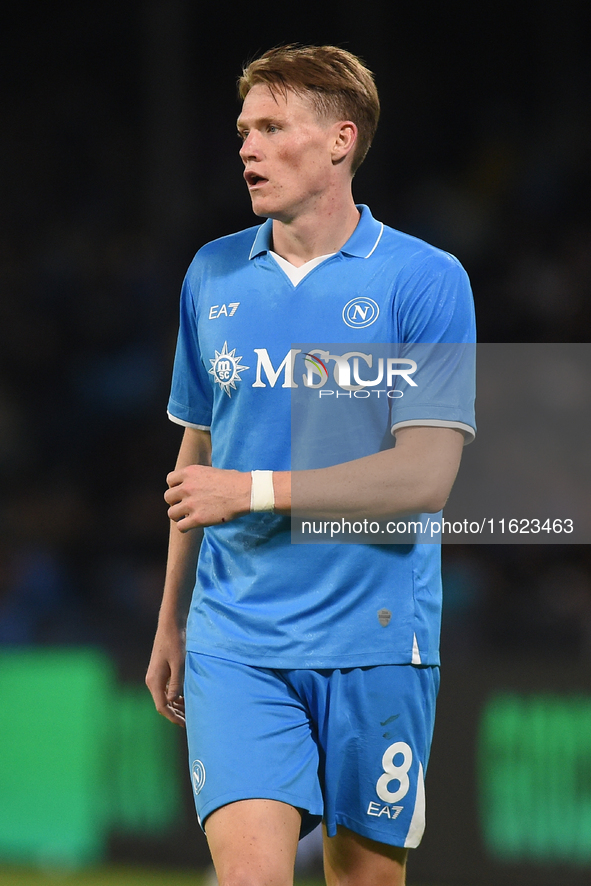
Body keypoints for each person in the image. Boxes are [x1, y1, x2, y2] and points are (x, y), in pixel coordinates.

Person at [146, 44, 476, 886]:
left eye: (271, 127)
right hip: (237, 642)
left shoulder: (424, 280)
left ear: (339, 139)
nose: (247, 147)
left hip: (375, 642)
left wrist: (249, 492)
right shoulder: (212, 273)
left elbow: (422, 479)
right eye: (242, 129)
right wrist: (172, 620)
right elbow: (199, 458)